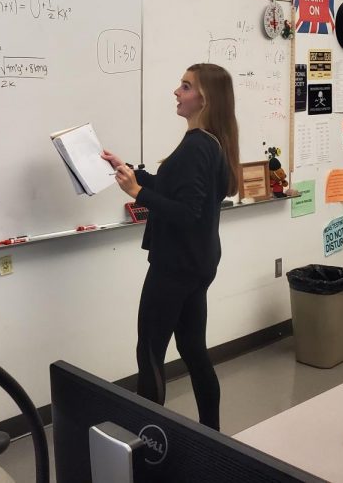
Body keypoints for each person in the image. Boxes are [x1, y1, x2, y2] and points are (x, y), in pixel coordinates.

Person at [102, 63, 239, 431]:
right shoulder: (211, 142)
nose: (177, 92)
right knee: (193, 351)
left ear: (204, 99)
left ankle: (150, 442)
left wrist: (138, 192)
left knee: (150, 352)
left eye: (186, 86)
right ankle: (212, 433)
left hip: (175, 266)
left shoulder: (197, 145)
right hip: (198, 263)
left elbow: (188, 213)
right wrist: (130, 171)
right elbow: (172, 187)